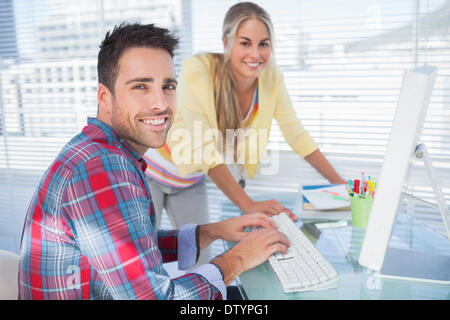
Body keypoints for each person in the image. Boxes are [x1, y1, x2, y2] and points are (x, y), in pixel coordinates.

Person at [18, 23, 290, 300]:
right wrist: (239, 259)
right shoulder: (100, 168)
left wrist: (213, 232)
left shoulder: (102, 152)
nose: (161, 103)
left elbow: (132, 243)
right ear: (105, 97)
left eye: (168, 86)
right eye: (140, 86)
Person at [144, 2, 346, 241]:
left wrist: (342, 186)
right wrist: (248, 204)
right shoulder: (199, 70)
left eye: (264, 44)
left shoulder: (271, 79)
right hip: (152, 173)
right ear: (226, 43)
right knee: (145, 255)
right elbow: (202, 146)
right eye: (245, 43)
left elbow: (296, 135)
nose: (255, 54)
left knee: (202, 257)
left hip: (192, 179)